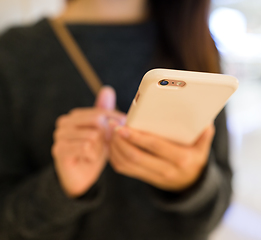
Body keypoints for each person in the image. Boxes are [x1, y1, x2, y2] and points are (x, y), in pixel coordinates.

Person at [0, 0, 232, 239]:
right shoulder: (12, 54)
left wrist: (192, 184)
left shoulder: (195, 44)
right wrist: (61, 190)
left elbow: (216, 208)